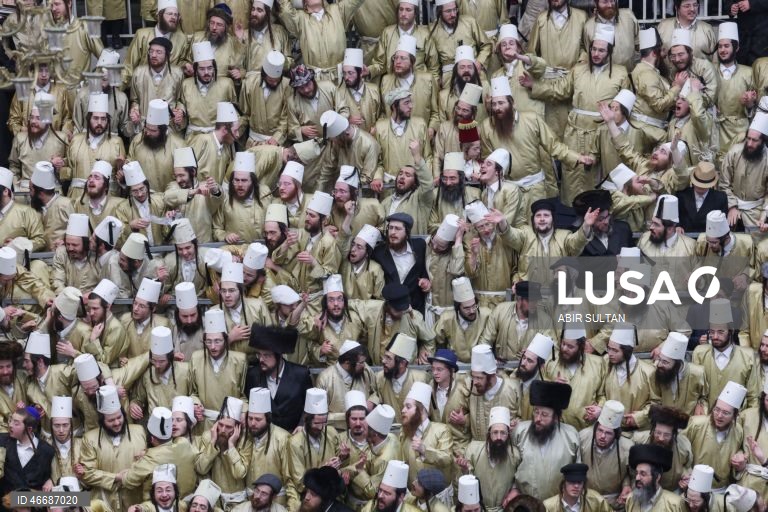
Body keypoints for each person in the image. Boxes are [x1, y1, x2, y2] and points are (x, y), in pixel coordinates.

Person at [79, 385, 147, 512]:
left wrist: (146, 456)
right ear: (102, 421)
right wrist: (115, 478)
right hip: (103, 502)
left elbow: (149, 464)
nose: (116, 423)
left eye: (119, 418)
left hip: (135, 500)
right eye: (111, 420)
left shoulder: (139, 431)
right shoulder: (90, 438)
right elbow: (86, 473)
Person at [512, 381, 579, 501]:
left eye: (544, 415)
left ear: (556, 418)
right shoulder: (520, 431)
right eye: (536, 412)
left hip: (558, 503)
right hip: (526, 501)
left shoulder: (571, 436)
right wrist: (513, 488)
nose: (538, 419)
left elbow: (577, 472)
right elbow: (511, 465)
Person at [692, 299, 759, 409]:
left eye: (720, 332)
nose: (715, 337)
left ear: (731, 331)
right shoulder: (700, 353)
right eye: (712, 332)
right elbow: (694, 391)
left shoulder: (747, 356)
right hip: (705, 419)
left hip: (737, 421)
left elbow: (753, 397)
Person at [244, 325, 312, 432]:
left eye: (266, 355)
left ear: (279, 356)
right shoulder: (253, 375)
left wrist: (302, 424)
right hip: (265, 436)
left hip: (293, 434)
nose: (261, 359)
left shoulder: (300, 374)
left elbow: (309, 403)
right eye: (259, 355)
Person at [189, 310, 247, 427]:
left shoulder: (239, 360)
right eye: (208, 341)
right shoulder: (196, 358)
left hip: (230, 422)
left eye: (218, 341)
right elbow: (193, 392)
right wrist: (195, 405)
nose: (213, 347)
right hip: (204, 422)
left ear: (226, 340)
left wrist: (244, 411)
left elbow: (244, 394)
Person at [686, 381, 747, 490]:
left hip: (721, 489)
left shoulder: (738, 431)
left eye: (725, 413)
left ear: (735, 415)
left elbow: (738, 452)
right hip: (693, 486)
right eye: (717, 410)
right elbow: (681, 452)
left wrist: (740, 459)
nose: (719, 416)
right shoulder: (696, 424)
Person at [244, 388, 298, 511]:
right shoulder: (245, 436)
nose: (252, 423)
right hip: (251, 502)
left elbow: (290, 479)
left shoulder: (283, 439)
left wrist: (292, 508)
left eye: (258, 419)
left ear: (268, 419)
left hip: (276, 504)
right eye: (250, 418)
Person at [458, 406, 521, 511]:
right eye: (495, 432)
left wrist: (515, 490)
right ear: (489, 434)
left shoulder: (515, 455)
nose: (499, 437)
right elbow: (468, 484)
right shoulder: (474, 450)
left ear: (508, 435)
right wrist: (464, 470)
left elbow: (518, 480)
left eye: (503, 433)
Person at [195, 397, 251, 510]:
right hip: (215, 501)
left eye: (228, 427)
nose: (223, 430)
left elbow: (239, 473)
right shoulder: (209, 437)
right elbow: (201, 468)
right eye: (220, 425)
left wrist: (231, 446)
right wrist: (212, 443)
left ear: (237, 428)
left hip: (238, 502)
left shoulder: (245, 441)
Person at [578, 401, 632, 507]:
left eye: (608, 433)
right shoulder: (582, 438)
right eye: (600, 430)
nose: (602, 436)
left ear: (616, 435)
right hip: (586, 499)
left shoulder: (627, 448)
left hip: (614, 502)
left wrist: (627, 486)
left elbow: (632, 475)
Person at [720, 112, 768, 230]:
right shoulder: (734, 152)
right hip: (731, 203)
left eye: (755, 140)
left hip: (757, 210)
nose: (750, 144)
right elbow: (723, 183)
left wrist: (763, 216)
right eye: (748, 139)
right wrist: (732, 206)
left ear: (763, 141)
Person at [398, 382, 452, 482]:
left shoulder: (441, 430)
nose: (403, 410)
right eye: (404, 406)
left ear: (421, 410)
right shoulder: (404, 432)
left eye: (408, 407)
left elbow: (447, 459)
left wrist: (424, 450)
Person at [624, 444, 684, 512]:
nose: (637, 478)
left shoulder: (675, 504)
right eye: (637, 473)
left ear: (657, 477)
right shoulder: (631, 498)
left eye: (643, 474)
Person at [676, 162, 729, 233]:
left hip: (709, 240)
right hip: (684, 237)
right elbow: (675, 217)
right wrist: (677, 226)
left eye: (704, 185)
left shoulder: (720, 198)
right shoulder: (682, 195)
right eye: (698, 183)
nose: (700, 187)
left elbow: (722, 224)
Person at [543, 463, 612, 512]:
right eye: (572, 481)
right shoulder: (549, 506)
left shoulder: (596, 500)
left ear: (583, 484)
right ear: (563, 483)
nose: (576, 486)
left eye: (579, 482)